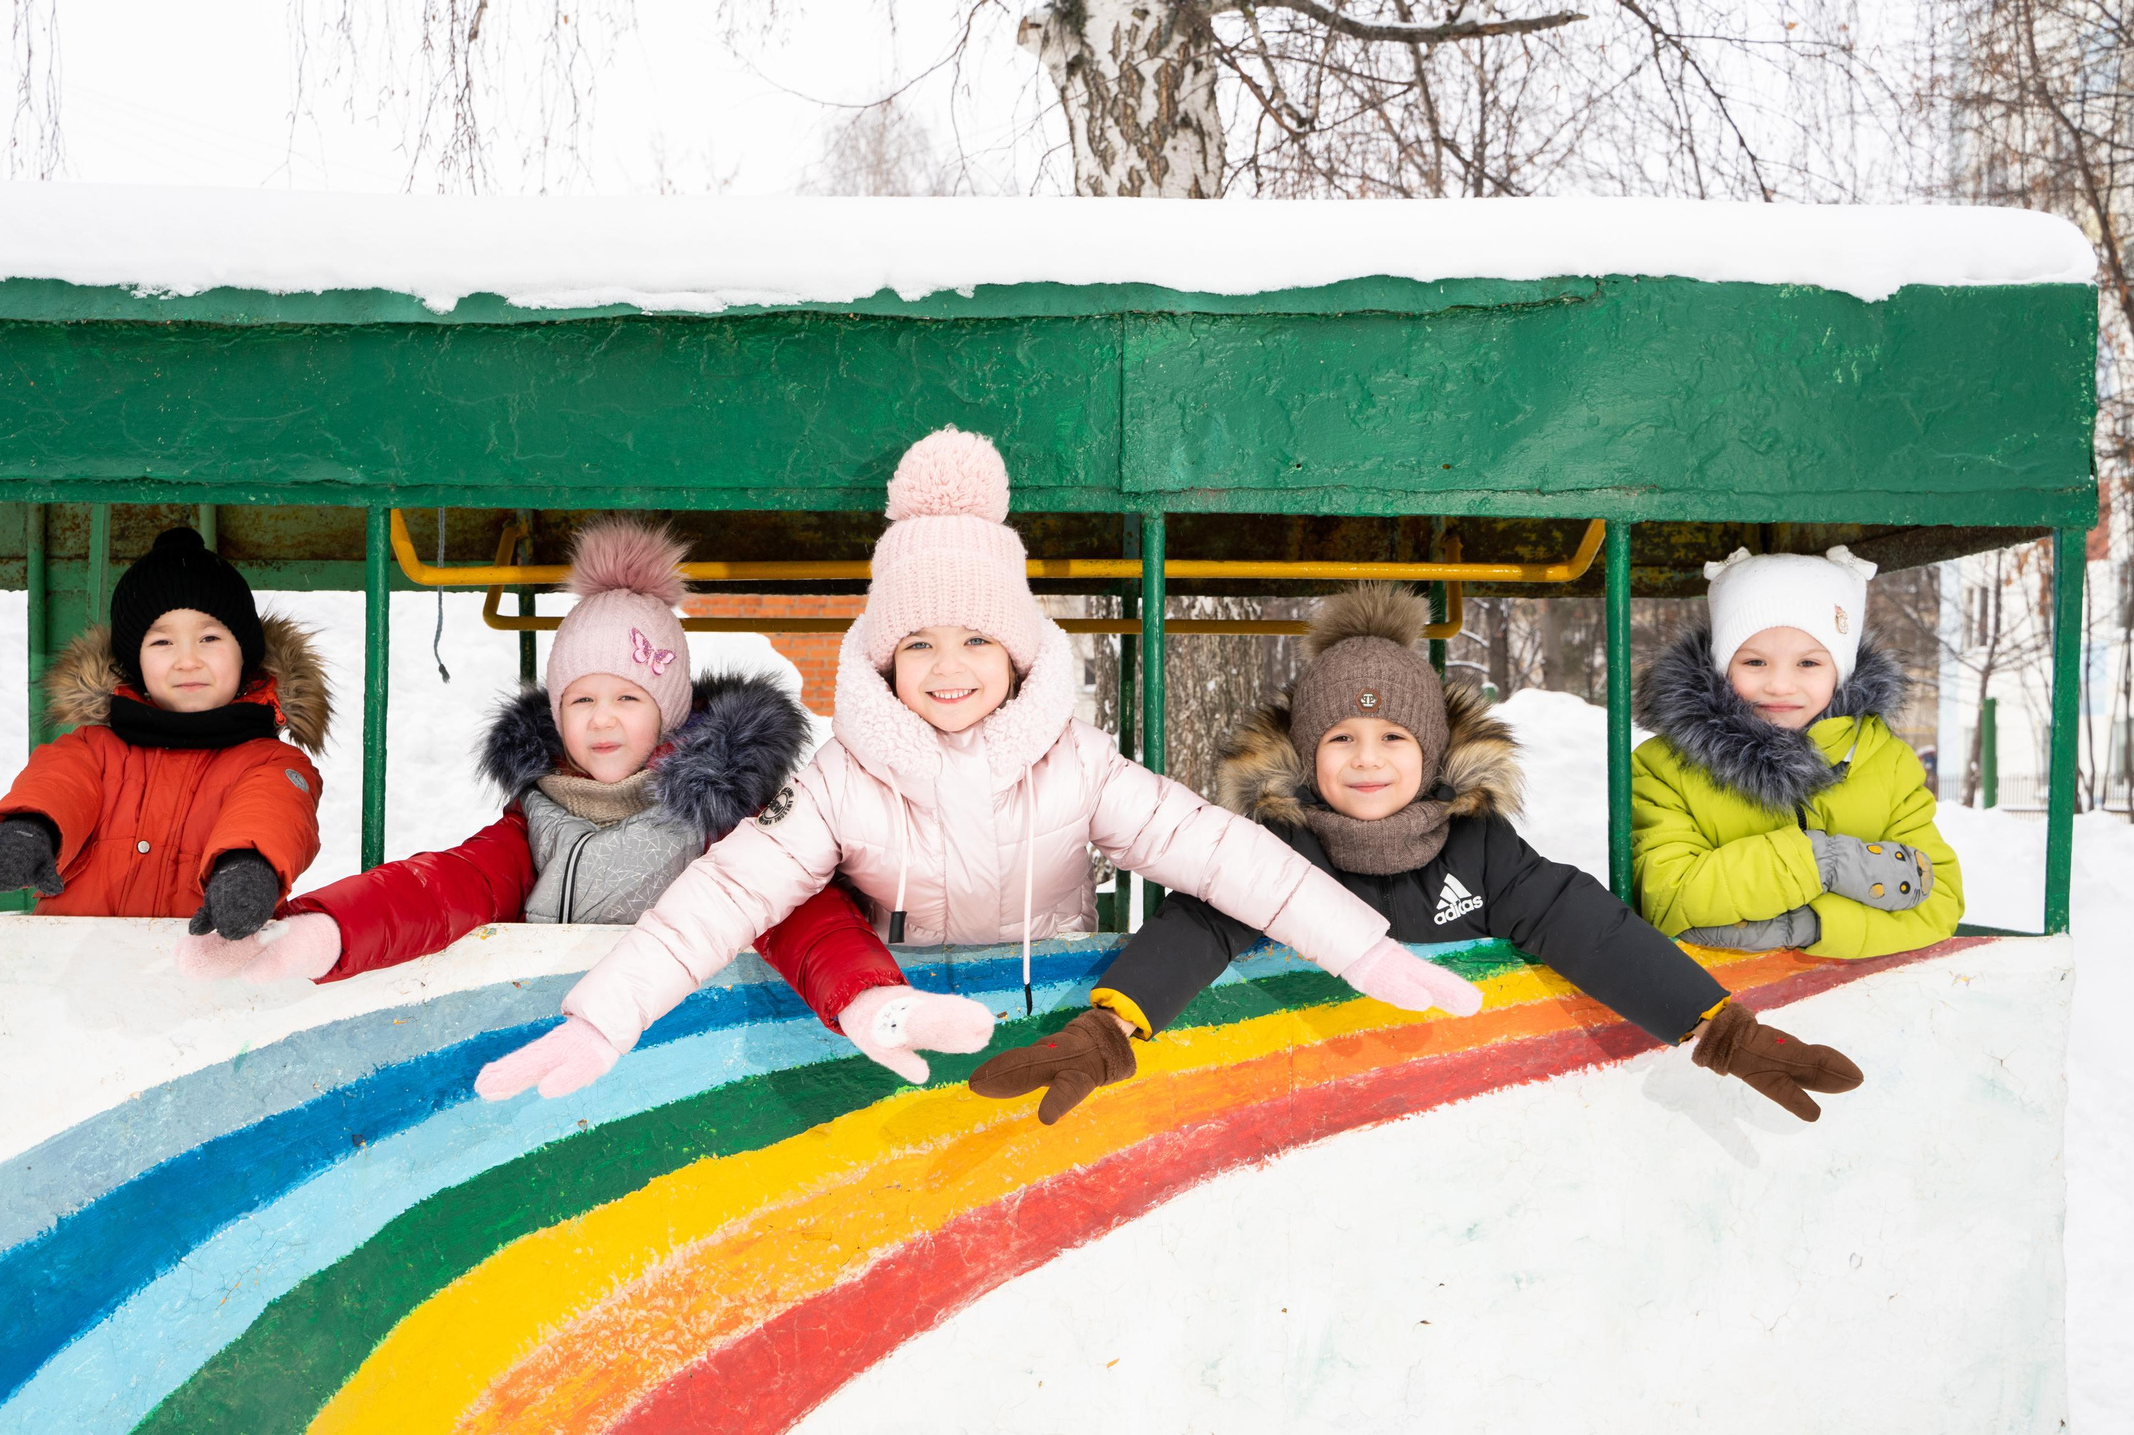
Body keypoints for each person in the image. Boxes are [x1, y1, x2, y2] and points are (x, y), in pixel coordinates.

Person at [470, 428, 1482, 1104]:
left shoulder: (1074, 764)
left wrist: (1362, 946)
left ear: (1015, 655)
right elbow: (726, 891)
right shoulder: (841, 779)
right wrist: (606, 1015)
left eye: (973, 643)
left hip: (1049, 1041)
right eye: (918, 645)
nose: (947, 670)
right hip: (894, 1050)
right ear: (884, 659)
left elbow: (1217, 852)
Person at [969, 585, 1865, 1126]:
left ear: (1432, 752)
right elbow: (1199, 925)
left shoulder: (1478, 848)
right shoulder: (1279, 846)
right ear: (1308, 751)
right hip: (1302, 1122)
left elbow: (1585, 924)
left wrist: (1717, 1024)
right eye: (1343, 738)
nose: (1367, 760)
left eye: (1394, 736)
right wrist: (1112, 1023)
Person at [182, 517, 974, 1083]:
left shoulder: (719, 823)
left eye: (627, 699)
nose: (601, 720)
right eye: (580, 699)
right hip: (556, 1052)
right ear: (555, 710)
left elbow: (803, 918)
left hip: (686, 1064)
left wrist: (868, 998)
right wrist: (325, 930)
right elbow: (444, 885)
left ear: (667, 709)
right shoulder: (537, 816)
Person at [0, 526, 327, 936]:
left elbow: (271, 812)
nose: (187, 661)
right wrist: (29, 829)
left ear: (245, 653)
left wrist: (247, 867)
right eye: (161, 643)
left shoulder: (271, 761)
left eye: (209, 637)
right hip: (74, 968)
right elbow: (58, 784)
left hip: (206, 971)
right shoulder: (94, 748)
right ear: (134, 661)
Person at [1632, 547, 1963, 958]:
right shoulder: (1665, 765)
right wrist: (1822, 861)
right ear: (1720, 666)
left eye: (1808, 663)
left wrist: (1810, 925)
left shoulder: (1886, 761)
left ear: (1840, 669)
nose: (1780, 685)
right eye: (1755, 662)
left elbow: (1939, 901)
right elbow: (1669, 896)